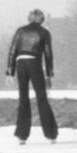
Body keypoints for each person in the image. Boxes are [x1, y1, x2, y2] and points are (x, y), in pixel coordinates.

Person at [5, 9, 58, 145]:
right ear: (42, 19)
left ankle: (22, 135)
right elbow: (48, 54)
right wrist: (49, 74)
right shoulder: (44, 33)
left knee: (23, 99)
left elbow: (12, 50)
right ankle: (51, 133)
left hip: (20, 63)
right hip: (34, 63)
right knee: (41, 98)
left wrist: (10, 71)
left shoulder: (20, 31)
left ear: (29, 18)